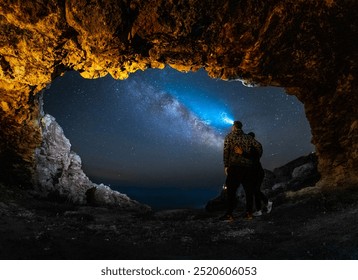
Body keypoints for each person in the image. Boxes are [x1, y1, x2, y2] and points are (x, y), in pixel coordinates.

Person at [221, 121, 262, 221]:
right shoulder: (248, 137)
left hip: (235, 167)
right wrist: (254, 159)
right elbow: (259, 147)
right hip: (247, 168)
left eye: (232, 126)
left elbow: (226, 152)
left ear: (234, 127)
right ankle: (249, 213)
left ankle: (229, 215)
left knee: (231, 190)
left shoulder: (229, 137)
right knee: (248, 190)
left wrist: (226, 165)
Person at [246, 132, 273, 217]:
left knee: (256, 190)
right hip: (255, 171)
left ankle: (268, 203)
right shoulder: (254, 146)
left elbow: (254, 157)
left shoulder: (254, 146)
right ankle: (259, 210)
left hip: (257, 172)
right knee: (255, 191)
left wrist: (242, 153)